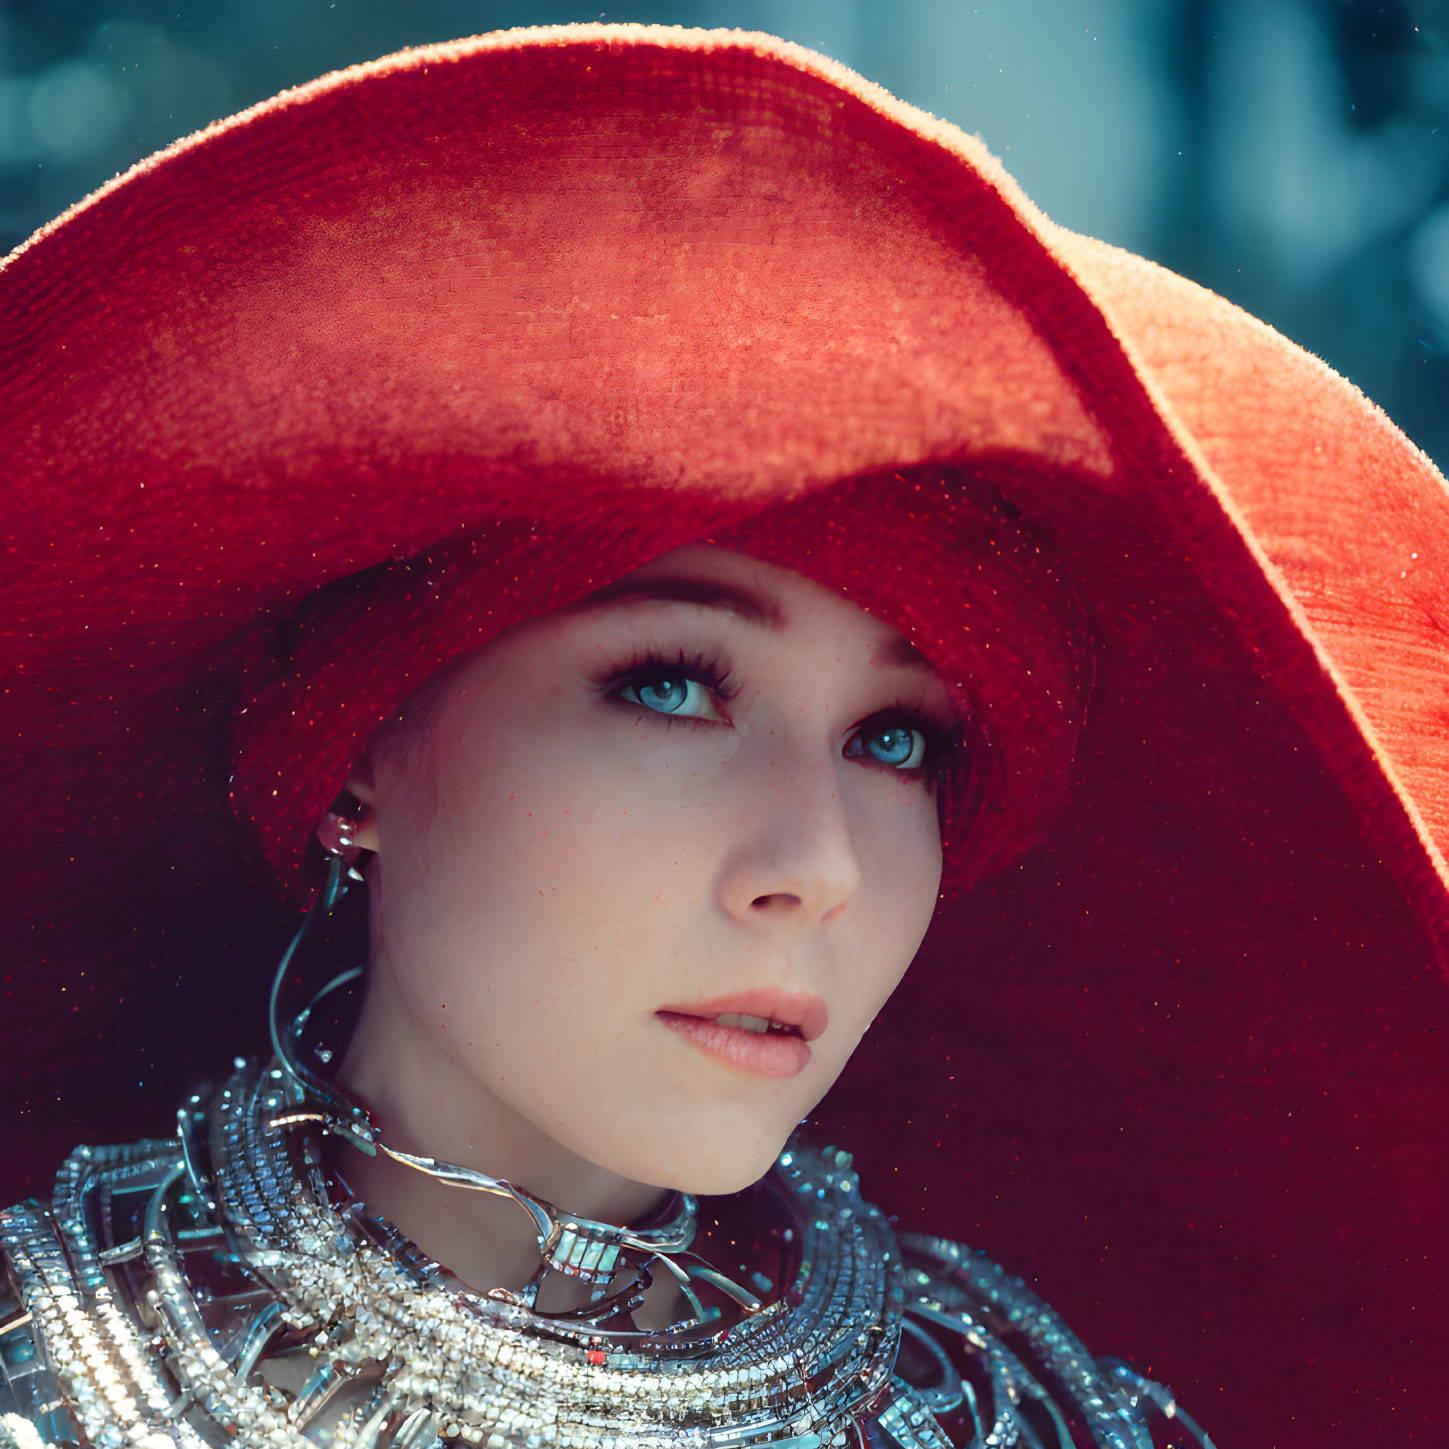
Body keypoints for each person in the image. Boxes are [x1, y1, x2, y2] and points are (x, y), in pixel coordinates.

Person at [1, 23, 1445, 1449]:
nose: (814, 866)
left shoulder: (1037, 1421)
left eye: (894, 741)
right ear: (362, 741)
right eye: (674, 685)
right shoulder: (42, 1374)